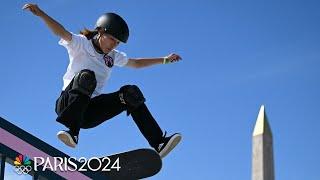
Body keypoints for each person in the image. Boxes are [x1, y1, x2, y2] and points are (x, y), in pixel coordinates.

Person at [23, 3, 182, 158]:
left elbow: (136, 63)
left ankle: (159, 143)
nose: (113, 45)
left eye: (117, 42)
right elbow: (61, 31)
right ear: (100, 31)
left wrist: (164, 60)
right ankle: (72, 132)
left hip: (89, 113)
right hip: (67, 105)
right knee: (87, 76)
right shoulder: (81, 43)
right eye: (112, 39)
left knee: (130, 93)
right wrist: (41, 14)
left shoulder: (112, 56)